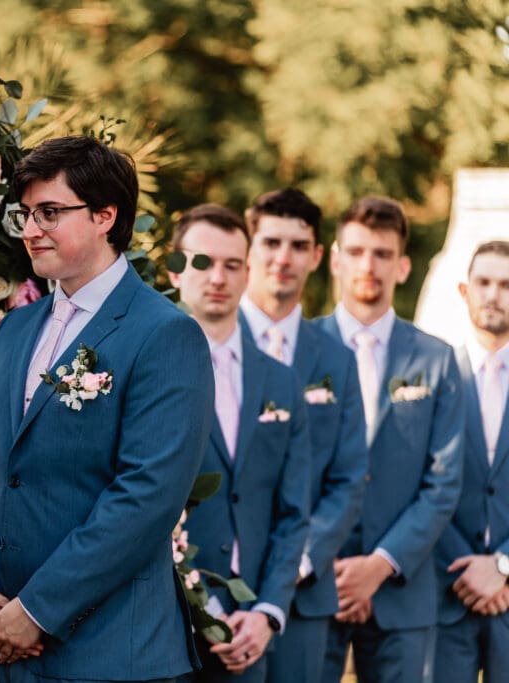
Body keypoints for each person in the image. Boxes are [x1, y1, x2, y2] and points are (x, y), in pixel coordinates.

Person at [0, 136, 214, 683]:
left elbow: (146, 497)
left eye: (50, 212)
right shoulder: (15, 330)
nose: (30, 229)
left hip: (112, 656)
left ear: (104, 217)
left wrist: (38, 610)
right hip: (0, 652)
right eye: (26, 214)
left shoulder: (165, 334)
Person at [317, 196, 464, 683]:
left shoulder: (436, 359)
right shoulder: (298, 349)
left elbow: (443, 482)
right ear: (336, 258)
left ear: (402, 266)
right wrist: (325, 563)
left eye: (382, 254)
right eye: (356, 251)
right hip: (313, 586)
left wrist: (379, 566)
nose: (368, 265)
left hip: (403, 591)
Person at [168, 204, 311, 683]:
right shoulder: (148, 372)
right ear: (175, 269)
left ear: (248, 273)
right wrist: (202, 608)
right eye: (203, 262)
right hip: (167, 625)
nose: (217, 277)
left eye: (232, 265)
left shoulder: (283, 382)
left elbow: (294, 512)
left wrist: (268, 611)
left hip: (253, 632)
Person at [237, 189, 368, 683]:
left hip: (305, 595)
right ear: (251, 249)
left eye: (298, 245)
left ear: (317, 256)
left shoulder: (338, 359)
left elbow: (350, 476)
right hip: (220, 589)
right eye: (271, 242)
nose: (283, 258)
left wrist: (300, 560)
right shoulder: (206, 344)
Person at [433, 240, 509, 683]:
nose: (493, 294)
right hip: (446, 598)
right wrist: (468, 568)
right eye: (483, 282)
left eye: (505, 284)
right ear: (464, 291)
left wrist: (502, 566)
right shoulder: (434, 378)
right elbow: (416, 484)